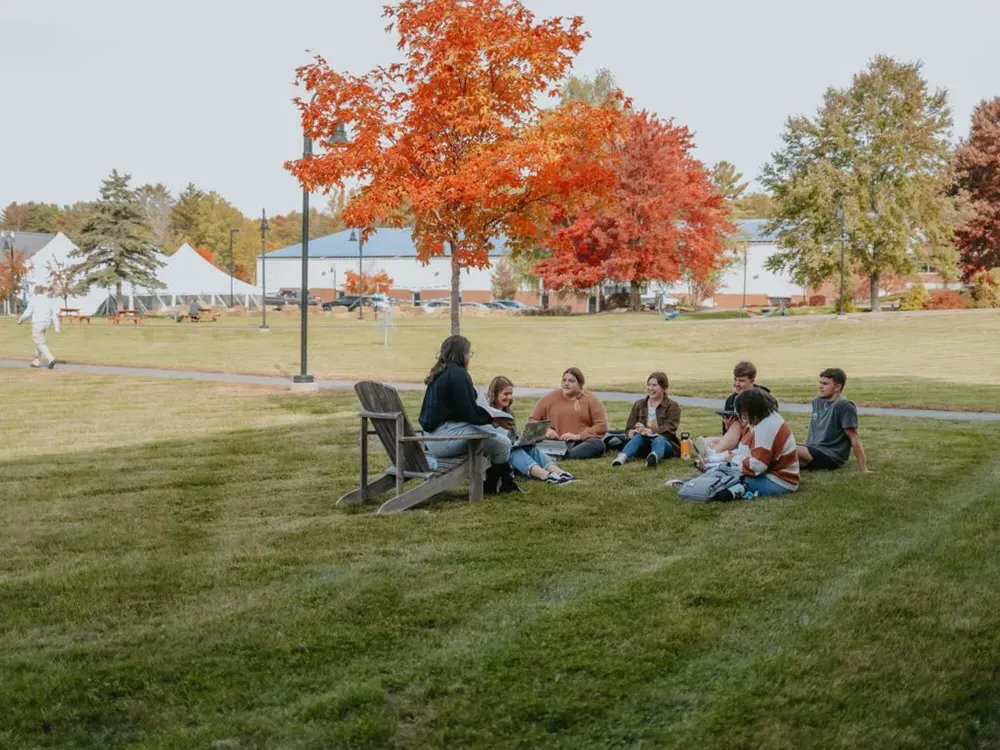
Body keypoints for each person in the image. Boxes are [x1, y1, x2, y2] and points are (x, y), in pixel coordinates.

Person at [417, 335, 519, 494]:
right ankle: (494, 485)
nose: (469, 358)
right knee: (503, 443)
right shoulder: (458, 374)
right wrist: (493, 418)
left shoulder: (439, 373)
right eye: (468, 354)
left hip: (432, 439)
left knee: (494, 437)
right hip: (445, 440)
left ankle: (506, 482)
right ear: (461, 354)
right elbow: (469, 412)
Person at [486, 376, 575, 484]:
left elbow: (512, 437)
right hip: (495, 453)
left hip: (508, 447)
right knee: (514, 451)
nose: (509, 397)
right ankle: (546, 475)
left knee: (530, 447)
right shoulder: (487, 414)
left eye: (510, 394)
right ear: (495, 394)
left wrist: (525, 440)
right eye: (505, 394)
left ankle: (559, 472)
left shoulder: (509, 413)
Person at [721, 388, 799, 497]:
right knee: (724, 472)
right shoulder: (770, 419)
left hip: (779, 481)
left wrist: (735, 459)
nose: (743, 417)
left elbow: (758, 466)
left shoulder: (766, 428)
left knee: (723, 480)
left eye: (743, 413)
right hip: (777, 476)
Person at [797, 368, 869, 472]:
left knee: (789, 448)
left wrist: (864, 469)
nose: (820, 387)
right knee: (783, 445)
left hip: (831, 456)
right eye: (820, 383)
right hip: (812, 449)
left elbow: (854, 437)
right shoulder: (817, 401)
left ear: (837, 387)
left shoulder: (844, 405)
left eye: (825, 384)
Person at [697, 361, 774, 457]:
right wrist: (727, 427)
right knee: (708, 441)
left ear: (752, 381)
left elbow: (769, 427)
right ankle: (717, 452)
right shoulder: (731, 400)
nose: (737, 384)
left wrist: (746, 426)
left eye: (741, 381)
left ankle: (714, 455)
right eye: (735, 379)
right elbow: (727, 434)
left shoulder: (762, 399)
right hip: (737, 438)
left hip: (757, 439)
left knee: (736, 425)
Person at [528, 367, 608, 460]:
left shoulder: (591, 399)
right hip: (555, 441)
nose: (566, 384)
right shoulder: (550, 397)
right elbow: (532, 420)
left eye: (571, 381)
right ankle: (557, 453)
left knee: (598, 444)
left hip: (579, 443)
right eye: (564, 380)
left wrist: (578, 436)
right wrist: (547, 431)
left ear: (580, 384)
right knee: (528, 440)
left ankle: (562, 455)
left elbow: (601, 426)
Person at [611, 371, 682, 467]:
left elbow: (670, 427)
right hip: (642, 444)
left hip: (664, 444)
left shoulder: (673, 406)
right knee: (638, 437)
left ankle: (653, 458)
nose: (650, 388)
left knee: (659, 439)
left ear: (664, 388)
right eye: (649, 385)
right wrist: (630, 432)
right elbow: (629, 427)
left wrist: (650, 431)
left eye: (654, 385)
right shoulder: (639, 404)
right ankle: (622, 457)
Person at [18, 285, 61, 369]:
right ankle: (36, 361)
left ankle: (51, 359)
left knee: (39, 343)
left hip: (37, 324)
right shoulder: (48, 300)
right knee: (39, 342)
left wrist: (20, 320)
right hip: (46, 324)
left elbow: (27, 313)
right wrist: (57, 327)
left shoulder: (33, 300)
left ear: (35, 291)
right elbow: (53, 315)